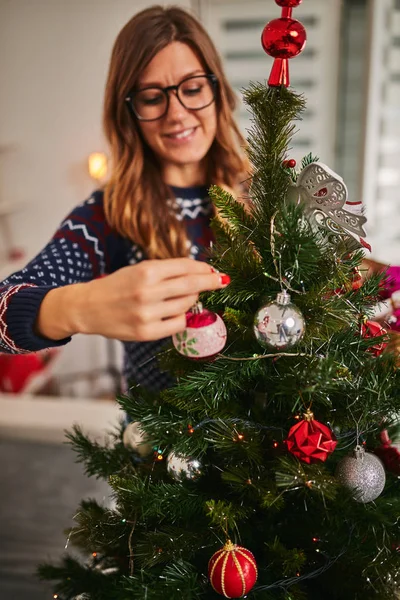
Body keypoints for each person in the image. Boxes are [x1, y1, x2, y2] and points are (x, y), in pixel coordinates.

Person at [0, 5, 249, 392]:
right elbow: (3, 308)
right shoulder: (109, 215)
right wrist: (78, 307)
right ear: (128, 112)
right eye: (152, 97)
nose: (177, 114)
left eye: (193, 88)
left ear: (218, 91)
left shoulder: (264, 195)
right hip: (160, 450)